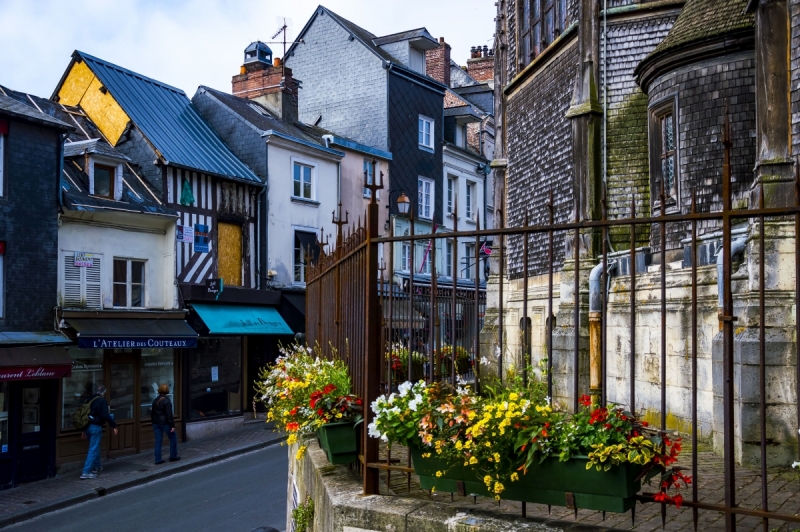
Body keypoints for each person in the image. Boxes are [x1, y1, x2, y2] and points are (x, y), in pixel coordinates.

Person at [80, 384, 117, 480]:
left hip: (87, 426)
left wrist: (84, 429)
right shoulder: (101, 401)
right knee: (93, 448)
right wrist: (113, 425)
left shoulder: (88, 400)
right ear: (103, 393)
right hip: (95, 426)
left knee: (95, 446)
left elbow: (83, 414)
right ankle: (86, 472)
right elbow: (105, 415)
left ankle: (97, 466)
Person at [151, 383, 179, 464]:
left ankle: (158, 459)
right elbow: (169, 415)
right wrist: (172, 425)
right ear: (167, 391)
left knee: (158, 441)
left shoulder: (155, 400)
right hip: (165, 423)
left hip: (156, 423)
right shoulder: (167, 401)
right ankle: (173, 456)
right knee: (173, 438)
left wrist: (153, 422)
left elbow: (152, 413)